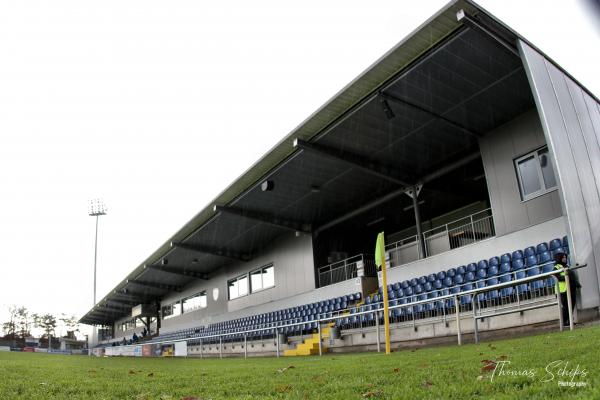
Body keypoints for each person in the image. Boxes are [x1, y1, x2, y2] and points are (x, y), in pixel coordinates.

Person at [554, 252, 580, 326]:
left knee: (571, 306)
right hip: (562, 291)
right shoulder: (556, 267)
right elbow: (557, 277)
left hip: (570, 289)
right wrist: (567, 277)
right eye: (563, 257)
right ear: (559, 258)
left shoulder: (567, 266)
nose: (565, 259)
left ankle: (569, 321)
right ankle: (564, 322)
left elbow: (572, 276)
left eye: (565, 257)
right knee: (566, 307)